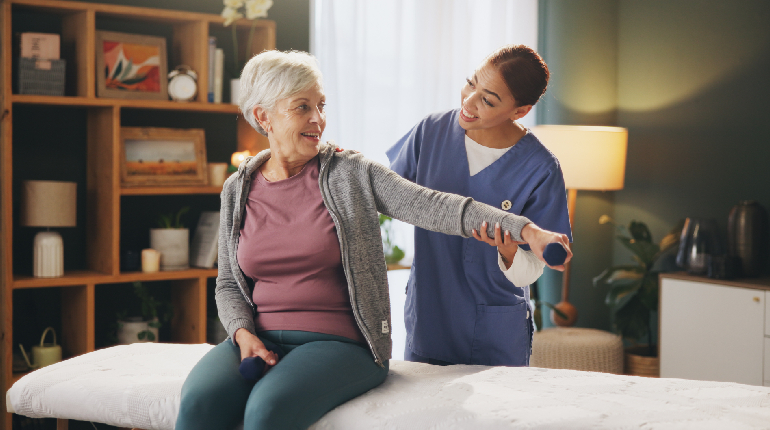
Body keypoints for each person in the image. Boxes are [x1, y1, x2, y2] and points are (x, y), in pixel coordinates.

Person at [175, 50, 571, 430]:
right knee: (197, 402)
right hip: (259, 334)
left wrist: (527, 231)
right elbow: (228, 284)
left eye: (321, 106)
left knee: (266, 407)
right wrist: (243, 334)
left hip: (337, 340)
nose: (318, 119)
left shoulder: (350, 172)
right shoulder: (237, 188)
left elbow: (433, 205)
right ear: (264, 117)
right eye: (302, 107)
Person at [386, 44, 573, 367]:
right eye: (471, 83)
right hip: (430, 317)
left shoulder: (540, 168)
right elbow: (393, 195)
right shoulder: (430, 132)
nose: (469, 102)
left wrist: (510, 253)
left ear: (519, 111)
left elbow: (532, 270)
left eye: (488, 100)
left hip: (494, 331)